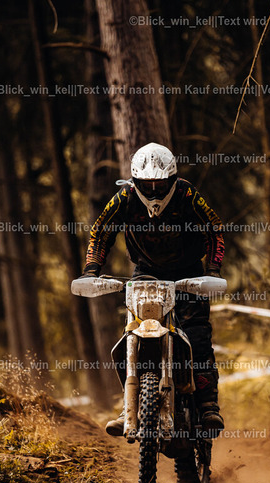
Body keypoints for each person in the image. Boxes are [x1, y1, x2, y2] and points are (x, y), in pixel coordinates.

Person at [80, 142, 225, 438]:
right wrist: (91, 270)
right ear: (136, 181)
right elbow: (101, 231)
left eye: (160, 184)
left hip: (189, 273)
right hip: (146, 272)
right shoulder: (125, 198)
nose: (155, 190)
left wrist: (212, 271)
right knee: (133, 332)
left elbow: (214, 229)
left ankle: (208, 404)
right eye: (148, 184)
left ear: (172, 179)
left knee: (197, 333)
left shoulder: (186, 195)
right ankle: (129, 407)